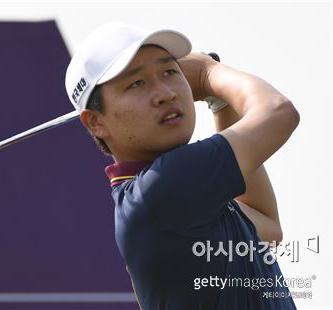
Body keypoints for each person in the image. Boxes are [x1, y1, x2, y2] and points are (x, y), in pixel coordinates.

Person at [65, 22, 299, 309]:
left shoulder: (166, 196)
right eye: (137, 83)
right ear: (96, 122)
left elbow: (268, 230)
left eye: (169, 72)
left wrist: (219, 102)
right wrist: (208, 72)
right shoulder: (164, 186)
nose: (166, 93)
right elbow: (278, 111)